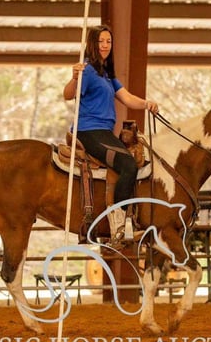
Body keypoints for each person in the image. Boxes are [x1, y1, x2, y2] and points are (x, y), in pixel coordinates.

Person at [63, 24, 159, 241]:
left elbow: (127, 98)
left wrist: (147, 104)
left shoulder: (107, 74)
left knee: (132, 160)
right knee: (127, 165)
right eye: (101, 41)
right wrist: (74, 78)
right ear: (92, 44)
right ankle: (118, 225)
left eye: (108, 41)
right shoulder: (87, 70)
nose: (105, 45)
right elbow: (68, 95)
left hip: (104, 132)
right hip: (88, 130)